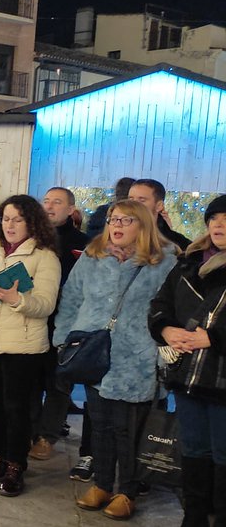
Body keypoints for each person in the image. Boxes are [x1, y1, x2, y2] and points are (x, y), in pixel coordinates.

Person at [52, 199, 176, 520]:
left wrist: (161, 351)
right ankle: (103, 483)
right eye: (113, 219)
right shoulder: (93, 257)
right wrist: (64, 339)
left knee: (129, 430)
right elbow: (72, 297)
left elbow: (171, 310)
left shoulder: (164, 262)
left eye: (126, 220)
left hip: (138, 358)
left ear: (144, 226)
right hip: (94, 354)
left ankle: (128, 490)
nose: (117, 226)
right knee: (101, 425)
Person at [0, 195, 61, 497]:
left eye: (18, 219)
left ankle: (16, 466)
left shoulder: (44, 257)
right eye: (6, 218)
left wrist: (15, 299)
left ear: (32, 222)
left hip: (22, 344)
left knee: (17, 408)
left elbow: (45, 304)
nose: (10, 224)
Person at [149, 194, 226, 527]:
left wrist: (214, 338)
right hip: (187, 375)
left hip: (222, 377)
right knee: (193, 449)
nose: (219, 225)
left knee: (224, 454)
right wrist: (165, 329)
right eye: (214, 219)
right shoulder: (188, 263)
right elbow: (160, 302)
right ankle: (193, 517)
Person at [30, 187, 92, 464]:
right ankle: (28, 431)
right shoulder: (30, 238)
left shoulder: (85, 244)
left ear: (71, 210)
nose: (50, 206)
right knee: (29, 381)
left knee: (58, 384)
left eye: (57, 202)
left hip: (65, 324)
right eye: (46, 201)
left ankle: (47, 436)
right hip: (31, 318)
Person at [129, 179, 192, 250]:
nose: (134, 205)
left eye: (142, 200)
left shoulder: (178, 244)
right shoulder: (119, 238)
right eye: (131, 200)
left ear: (159, 206)